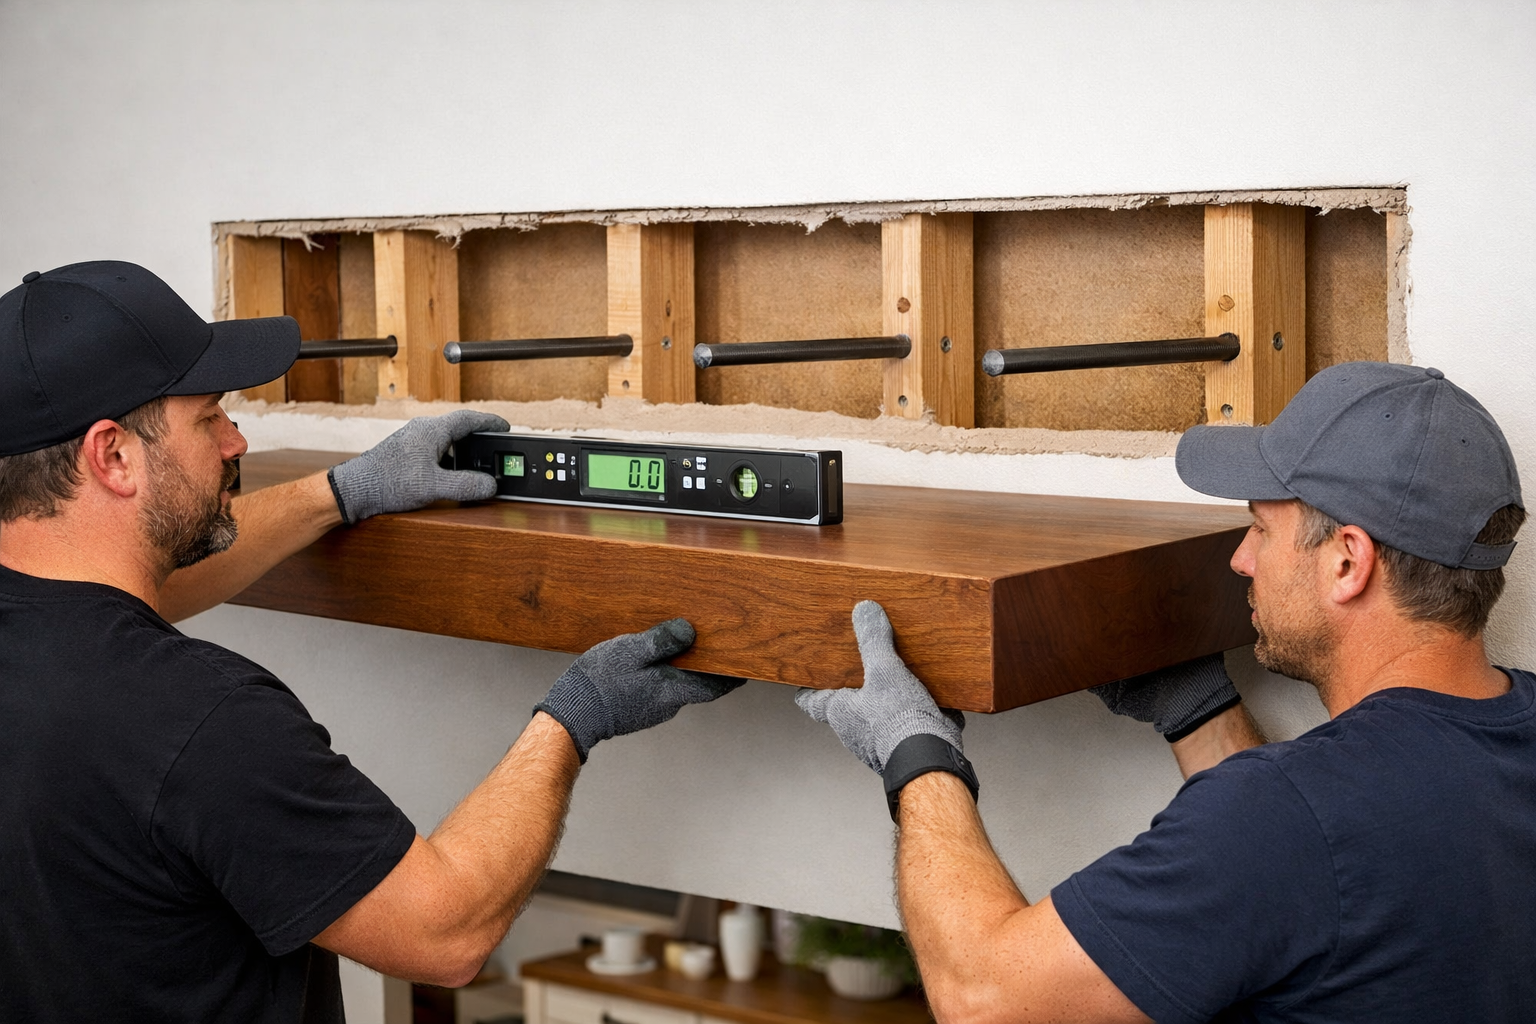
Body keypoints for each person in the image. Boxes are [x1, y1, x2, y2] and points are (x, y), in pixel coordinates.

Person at [0, 262, 742, 1022]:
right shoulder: (195, 720)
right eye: (209, 417)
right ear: (113, 455)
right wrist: (575, 716)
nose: (236, 438)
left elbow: (145, 584)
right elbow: (443, 935)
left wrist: (341, 492)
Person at [798, 361, 1535, 1022]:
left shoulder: (1291, 817)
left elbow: (985, 998)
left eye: (1259, 529)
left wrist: (914, 752)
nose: (1241, 559)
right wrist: (1200, 715)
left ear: (1348, 562)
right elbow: (1315, 879)